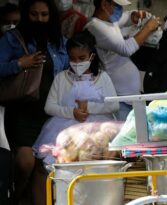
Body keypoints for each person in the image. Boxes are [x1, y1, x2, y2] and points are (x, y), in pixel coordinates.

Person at [30, 30, 119, 205]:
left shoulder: (103, 77)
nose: (77, 63)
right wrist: (72, 113)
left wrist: (89, 108)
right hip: (64, 128)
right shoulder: (62, 78)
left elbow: (113, 104)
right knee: (45, 169)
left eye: (82, 58)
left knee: (94, 170)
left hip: (97, 129)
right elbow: (50, 107)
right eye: (73, 59)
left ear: (91, 56)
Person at [0, 0, 68, 204]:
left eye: (44, 15)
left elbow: (68, 70)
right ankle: (16, 196)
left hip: (50, 112)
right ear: (26, 14)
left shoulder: (60, 41)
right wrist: (20, 63)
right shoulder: (12, 39)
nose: (39, 19)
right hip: (22, 110)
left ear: (51, 16)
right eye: (34, 14)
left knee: (43, 166)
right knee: (25, 162)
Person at [84, 0, 161, 121]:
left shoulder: (108, 21)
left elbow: (124, 18)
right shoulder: (95, 26)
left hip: (131, 97)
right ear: (104, 4)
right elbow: (126, 49)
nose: (120, 10)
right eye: (118, 6)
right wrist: (148, 28)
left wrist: (133, 16)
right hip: (119, 98)